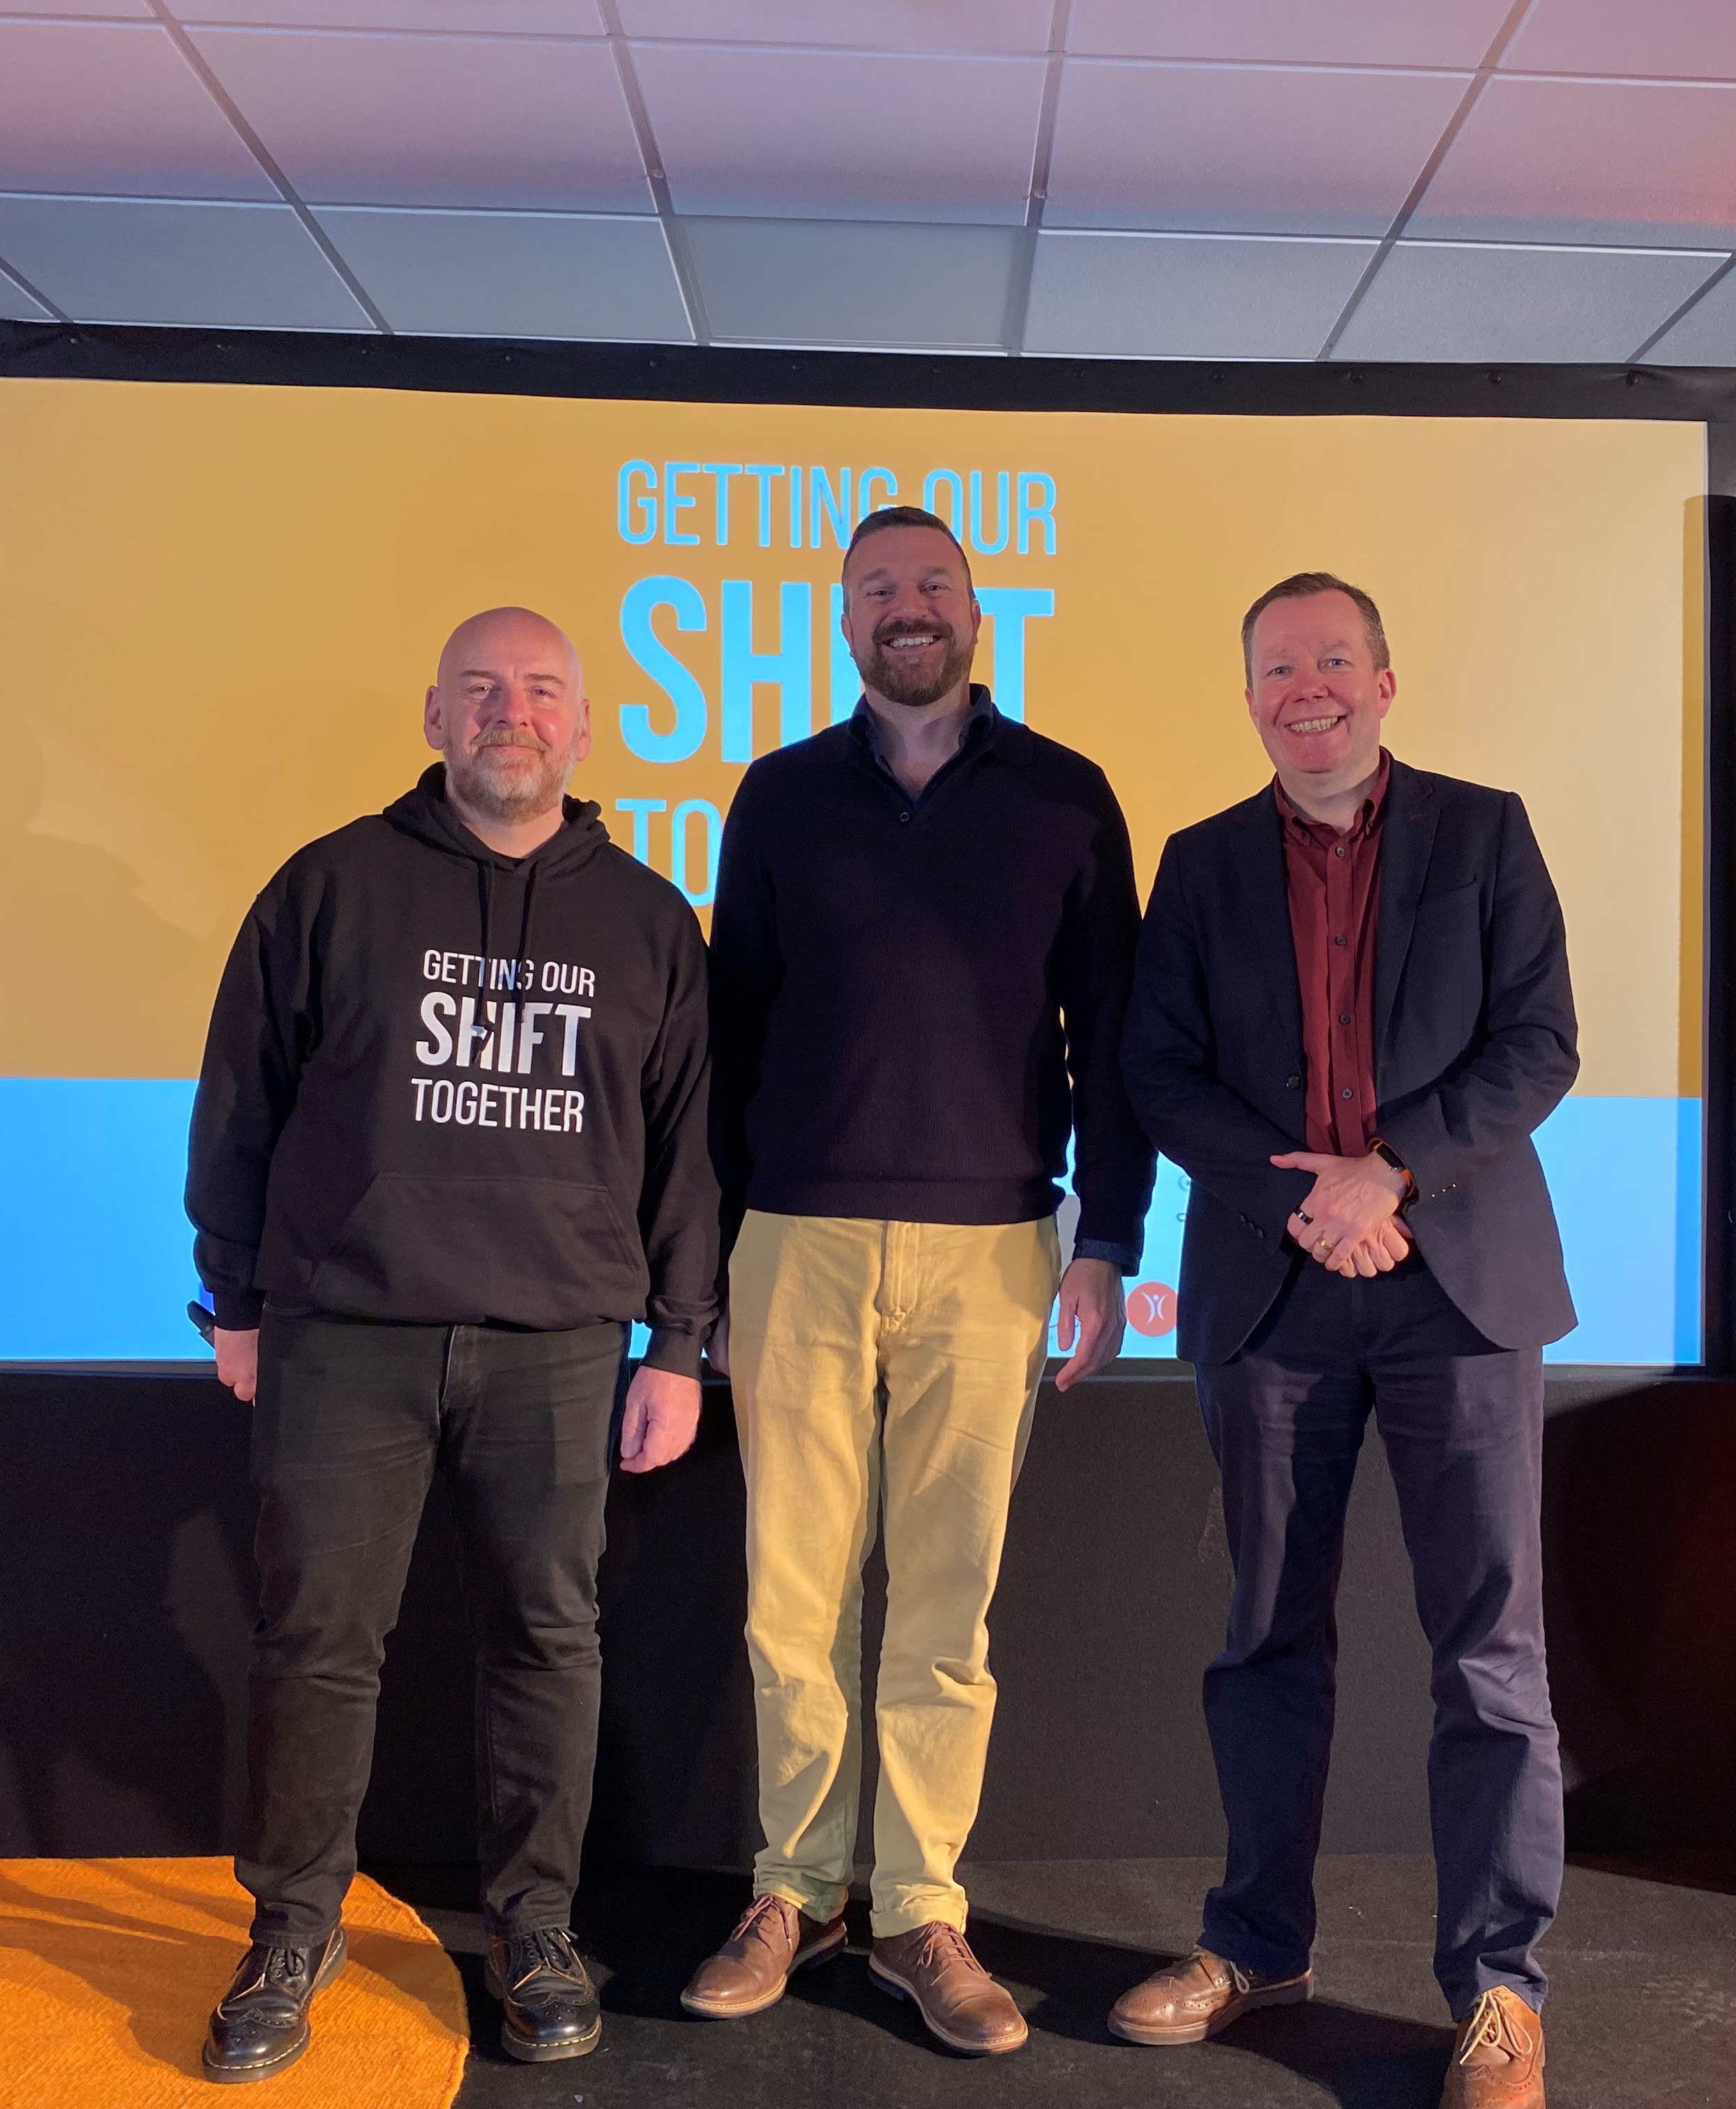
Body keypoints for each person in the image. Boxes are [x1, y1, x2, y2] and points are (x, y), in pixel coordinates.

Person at [184, 607, 718, 2080]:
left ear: (584, 728)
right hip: (342, 1334)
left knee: (550, 1640)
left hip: (557, 1343)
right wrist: (232, 1300)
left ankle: (535, 1930)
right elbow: (240, 1102)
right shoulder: (331, 886)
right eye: (483, 690)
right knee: (317, 1647)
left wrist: (680, 1345)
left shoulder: (650, 919)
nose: (513, 713)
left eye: (543, 691)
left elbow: (687, 1155)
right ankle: (292, 1930)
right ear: (434, 718)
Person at [681, 505, 1153, 2056]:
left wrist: (1110, 1239)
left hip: (997, 1248)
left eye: (931, 583)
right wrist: (711, 1271)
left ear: (974, 606)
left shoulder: (1068, 799)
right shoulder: (779, 796)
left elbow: (1116, 1041)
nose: (907, 607)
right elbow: (724, 1041)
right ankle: (794, 1887)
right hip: (797, 1242)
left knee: (945, 1608)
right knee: (790, 1599)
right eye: (877, 586)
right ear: (841, 616)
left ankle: (921, 1911)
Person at [1112, 573, 1578, 2109]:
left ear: (1384, 678)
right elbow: (1158, 1072)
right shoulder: (1196, 865)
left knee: (1489, 1651)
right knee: (1263, 1635)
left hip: (1457, 1284)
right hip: (1273, 1283)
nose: (1302, 689)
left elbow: (1540, 1045)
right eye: (1274, 668)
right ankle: (1258, 1946)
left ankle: (1500, 1990)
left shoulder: (1486, 831)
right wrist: (1306, 1203)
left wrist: (1396, 1175)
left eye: (1329, 662)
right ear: (1249, 696)